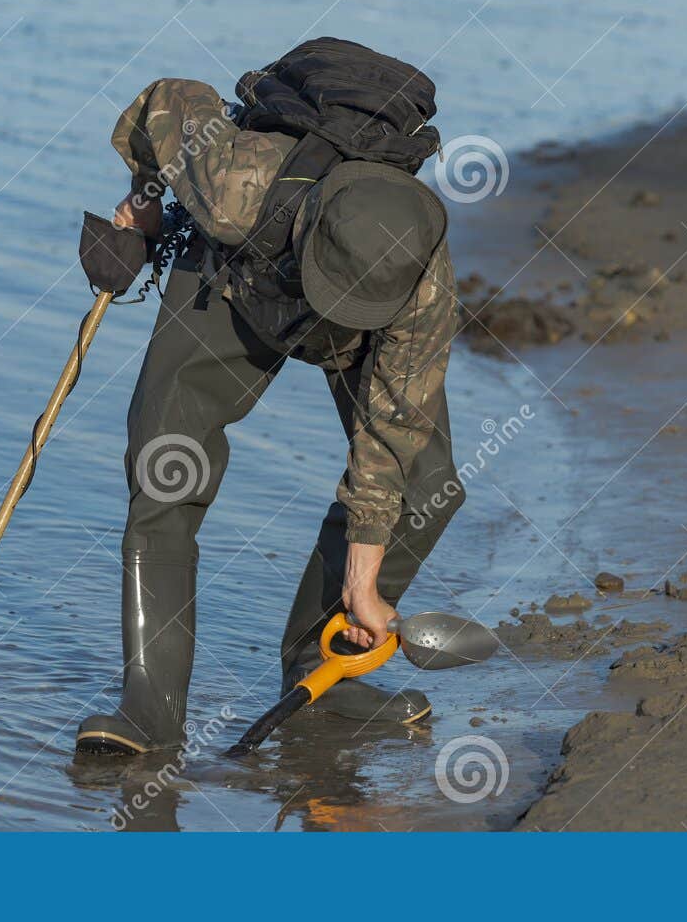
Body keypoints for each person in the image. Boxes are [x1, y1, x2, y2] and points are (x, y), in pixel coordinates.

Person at [76, 46, 465, 756]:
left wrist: (363, 583)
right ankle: (150, 713)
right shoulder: (236, 179)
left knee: (426, 483)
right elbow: (162, 100)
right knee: (167, 471)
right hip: (233, 279)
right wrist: (145, 201)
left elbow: (389, 434)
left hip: (361, 335)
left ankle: (323, 674)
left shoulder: (422, 288)